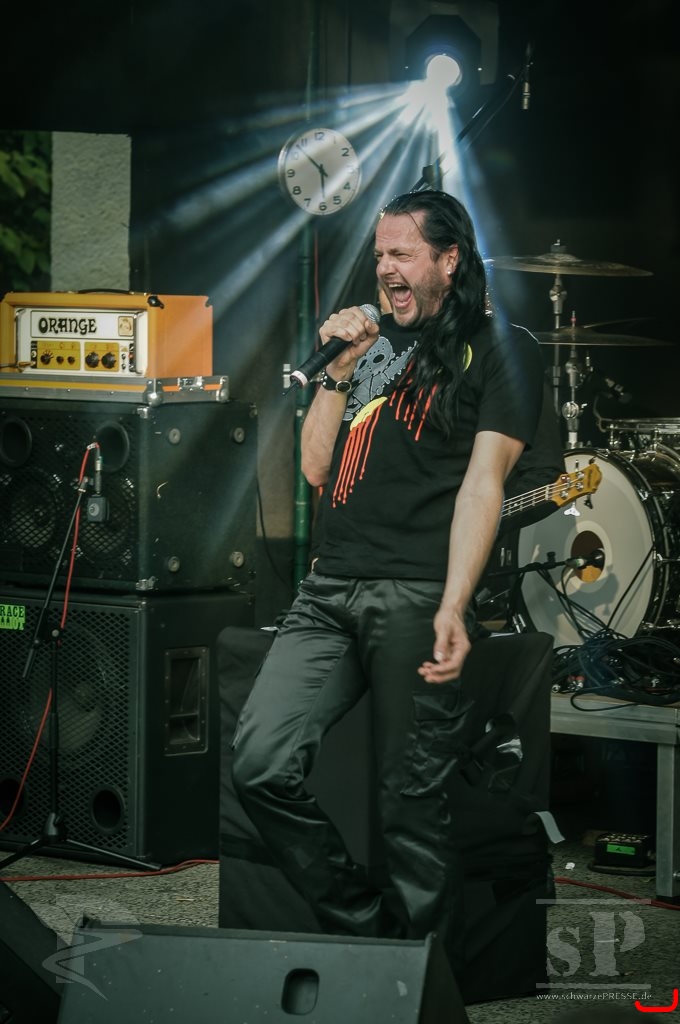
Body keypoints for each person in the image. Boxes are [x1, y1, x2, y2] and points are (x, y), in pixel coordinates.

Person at [231, 189, 545, 956]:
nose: (385, 269)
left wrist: (455, 602)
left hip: (415, 590)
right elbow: (315, 469)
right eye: (379, 255)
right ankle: (368, 932)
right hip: (329, 589)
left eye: (402, 253)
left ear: (449, 259)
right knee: (260, 764)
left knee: (411, 806)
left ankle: (421, 988)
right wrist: (338, 370)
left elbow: (484, 485)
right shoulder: (369, 344)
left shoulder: (497, 346)